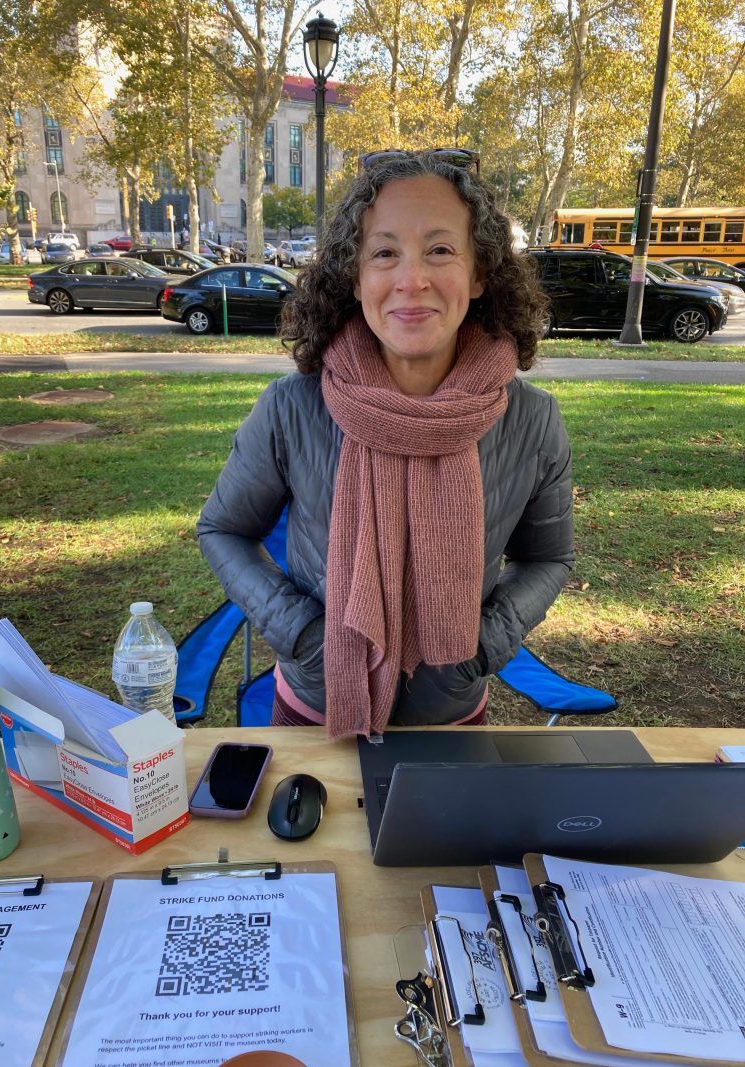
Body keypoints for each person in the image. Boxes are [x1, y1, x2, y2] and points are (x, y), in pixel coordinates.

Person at [197, 149, 574, 739]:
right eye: (385, 253)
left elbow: (548, 556)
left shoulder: (532, 421)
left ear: (480, 275)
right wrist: (303, 636)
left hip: (451, 717)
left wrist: (484, 644)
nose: (411, 279)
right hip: (314, 714)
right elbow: (223, 529)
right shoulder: (291, 407)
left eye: (441, 250)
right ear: (356, 276)